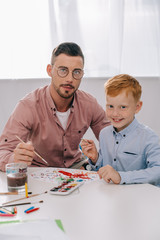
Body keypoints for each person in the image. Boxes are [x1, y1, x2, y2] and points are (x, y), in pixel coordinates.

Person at [0, 42, 110, 172]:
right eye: (63, 70)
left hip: (76, 168)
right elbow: (3, 151)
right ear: (50, 70)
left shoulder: (89, 104)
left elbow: (114, 142)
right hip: (39, 171)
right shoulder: (28, 106)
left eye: (76, 72)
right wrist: (15, 159)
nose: (70, 78)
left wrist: (97, 158)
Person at [81, 74, 160, 186]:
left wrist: (121, 176)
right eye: (110, 106)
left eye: (123, 107)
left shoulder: (148, 137)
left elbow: (157, 171)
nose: (115, 114)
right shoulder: (104, 134)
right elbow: (104, 171)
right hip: (110, 196)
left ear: (137, 107)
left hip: (139, 197)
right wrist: (95, 159)